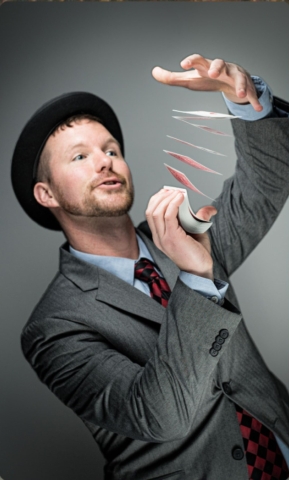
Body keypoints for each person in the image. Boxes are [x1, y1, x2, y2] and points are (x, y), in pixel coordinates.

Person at [11, 54, 289, 480]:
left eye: (111, 150)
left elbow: (264, 188)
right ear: (46, 194)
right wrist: (197, 278)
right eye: (80, 157)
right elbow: (159, 415)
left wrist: (246, 102)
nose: (105, 161)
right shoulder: (52, 328)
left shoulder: (186, 237)